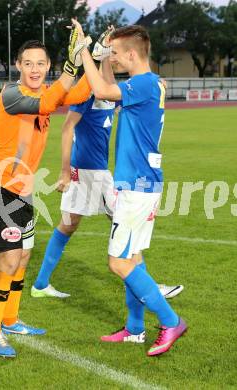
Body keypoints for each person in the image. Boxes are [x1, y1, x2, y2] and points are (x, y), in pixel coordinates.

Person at [31, 29, 183, 304]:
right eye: (107, 53)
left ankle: (41, 284)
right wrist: (65, 171)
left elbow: (109, 83)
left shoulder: (117, 90)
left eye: (112, 54)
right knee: (121, 225)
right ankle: (148, 286)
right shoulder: (90, 92)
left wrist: (100, 57)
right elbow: (67, 129)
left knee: (70, 225)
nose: (111, 59)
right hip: (90, 173)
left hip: (99, 172)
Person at [71, 20, 187, 356]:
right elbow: (109, 85)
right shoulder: (147, 83)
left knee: (118, 263)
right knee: (133, 257)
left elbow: (103, 91)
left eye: (118, 54)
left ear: (133, 53)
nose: (115, 59)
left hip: (137, 186)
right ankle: (135, 329)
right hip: (138, 183)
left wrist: (83, 51)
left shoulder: (146, 83)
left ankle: (170, 321)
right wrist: (105, 54)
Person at [0, 28, 92, 358]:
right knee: (9, 260)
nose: (34, 68)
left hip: (22, 192)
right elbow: (47, 101)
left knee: (24, 256)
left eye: (41, 63)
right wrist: (70, 69)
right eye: (28, 63)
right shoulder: (11, 94)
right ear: (17, 65)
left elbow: (81, 93)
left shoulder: (47, 90)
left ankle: (11, 319)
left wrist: (94, 57)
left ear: (47, 66)